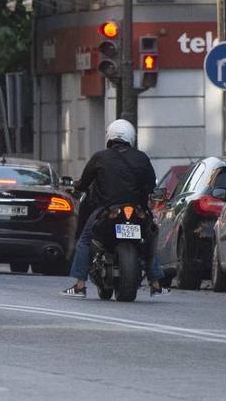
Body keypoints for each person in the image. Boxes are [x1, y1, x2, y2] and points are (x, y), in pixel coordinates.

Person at [62, 119, 166, 298]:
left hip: (107, 210)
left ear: (109, 136)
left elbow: (84, 183)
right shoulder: (141, 158)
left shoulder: (100, 157)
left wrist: (74, 186)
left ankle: (80, 285)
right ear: (131, 137)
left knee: (85, 240)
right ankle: (155, 283)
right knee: (150, 238)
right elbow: (151, 185)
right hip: (137, 211)